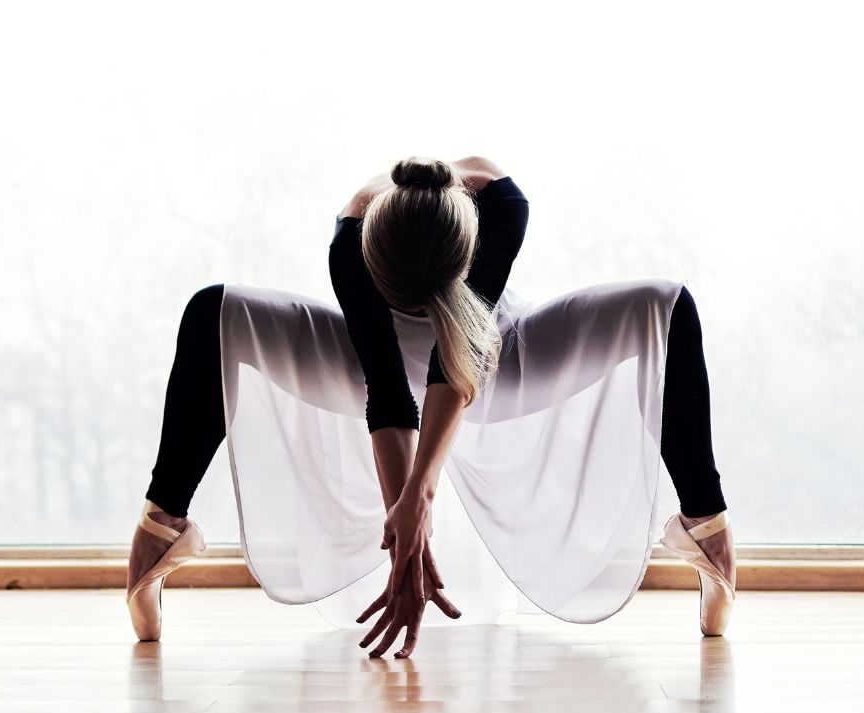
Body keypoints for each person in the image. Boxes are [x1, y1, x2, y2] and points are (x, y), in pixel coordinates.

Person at [125, 156, 736, 657]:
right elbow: (387, 390)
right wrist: (407, 539)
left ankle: (709, 530)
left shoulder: (502, 206)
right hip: (366, 363)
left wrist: (420, 495)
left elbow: (455, 363)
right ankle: (158, 532)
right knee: (211, 312)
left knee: (667, 305)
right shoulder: (351, 242)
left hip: (495, 359)